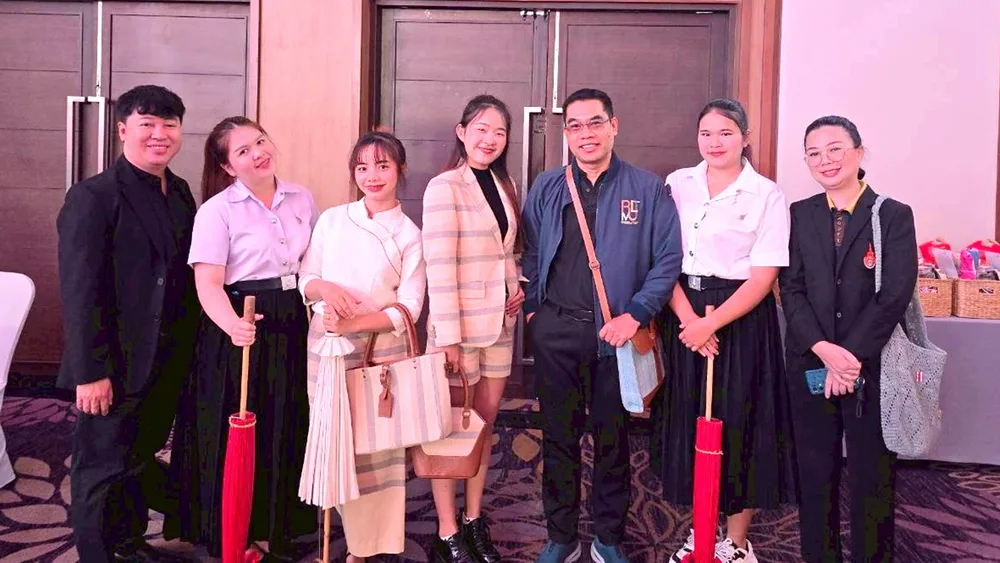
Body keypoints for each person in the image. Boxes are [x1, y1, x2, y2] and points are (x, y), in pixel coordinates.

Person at [521, 88, 682, 563]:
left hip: (618, 337)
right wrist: (535, 313)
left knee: (613, 440)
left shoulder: (647, 189)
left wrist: (636, 314)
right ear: (566, 133)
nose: (585, 133)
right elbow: (530, 252)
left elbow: (667, 258)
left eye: (595, 122)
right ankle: (561, 535)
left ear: (614, 126)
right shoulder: (548, 186)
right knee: (558, 438)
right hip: (557, 332)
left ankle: (608, 537)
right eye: (575, 125)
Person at [165, 116, 318, 561]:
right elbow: (208, 284)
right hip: (238, 323)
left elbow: (312, 264)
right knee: (241, 422)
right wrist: (233, 325)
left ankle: (281, 525)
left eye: (260, 141)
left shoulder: (301, 197)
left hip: (292, 317)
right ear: (228, 166)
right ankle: (232, 531)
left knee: (288, 417)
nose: (258, 153)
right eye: (244, 151)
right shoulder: (217, 211)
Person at [57, 84, 199, 563]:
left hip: (165, 359)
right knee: (100, 468)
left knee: (138, 459)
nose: (159, 134)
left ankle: (128, 543)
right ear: (122, 130)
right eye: (147, 124)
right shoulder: (93, 196)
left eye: (169, 124)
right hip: (113, 363)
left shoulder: (179, 191)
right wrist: (90, 372)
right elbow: (81, 292)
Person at [650, 99, 796, 563]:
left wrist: (710, 324)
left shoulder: (766, 194)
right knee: (690, 420)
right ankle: (701, 533)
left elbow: (763, 277)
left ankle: (735, 542)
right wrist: (690, 321)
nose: (715, 142)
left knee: (739, 423)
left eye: (726, 133)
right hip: (683, 312)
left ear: (745, 138)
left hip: (740, 321)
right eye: (706, 133)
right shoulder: (678, 183)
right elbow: (661, 257)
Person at [779, 116, 916, 563]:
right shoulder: (800, 214)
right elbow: (791, 289)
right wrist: (823, 350)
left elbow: (894, 295)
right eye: (814, 153)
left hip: (871, 366)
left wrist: (849, 357)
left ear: (860, 152)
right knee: (814, 471)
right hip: (810, 361)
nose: (826, 160)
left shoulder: (893, 215)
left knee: (871, 474)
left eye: (835, 148)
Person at [297, 130, 426, 562]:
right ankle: (339, 534)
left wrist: (356, 321)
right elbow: (306, 278)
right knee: (334, 440)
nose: (372, 176)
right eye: (363, 167)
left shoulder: (410, 234)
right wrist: (327, 291)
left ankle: (366, 548)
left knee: (377, 449)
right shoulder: (333, 219)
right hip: (328, 346)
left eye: (383, 166)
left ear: (400, 170)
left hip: (380, 351)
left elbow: (410, 307)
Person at [421, 94, 523, 563]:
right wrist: (448, 339)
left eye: (499, 131)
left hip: (500, 325)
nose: (490, 139)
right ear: (462, 132)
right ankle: (446, 531)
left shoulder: (506, 184)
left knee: (484, 425)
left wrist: (515, 286)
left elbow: (507, 252)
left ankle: (473, 518)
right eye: (481, 129)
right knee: (449, 429)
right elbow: (440, 266)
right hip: (457, 332)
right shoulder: (444, 187)